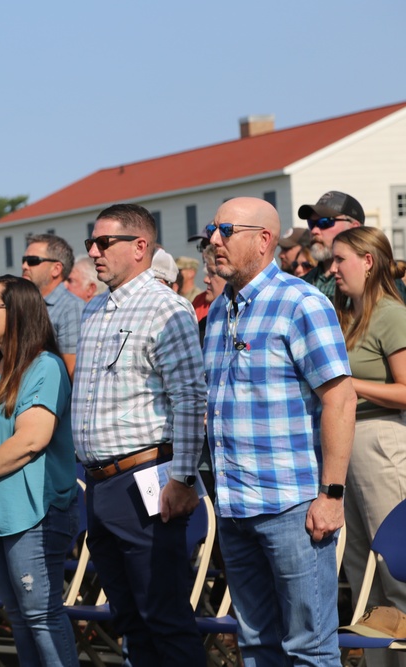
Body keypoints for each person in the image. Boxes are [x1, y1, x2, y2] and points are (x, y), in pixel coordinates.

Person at [204, 197, 356, 665]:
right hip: (235, 506)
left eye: (226, 230)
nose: (214, 240)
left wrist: (331, 494)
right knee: (255, 645)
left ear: (264, 239)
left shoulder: (301, 302)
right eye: (213, 229)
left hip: (293, 507)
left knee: (308, 648)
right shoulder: (218, 311)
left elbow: (339, 397)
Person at [71, 203, 206, 666]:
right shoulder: (93, 310)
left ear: (140, 247)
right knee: (129, 617)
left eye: (104, 242)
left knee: (164, 616)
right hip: (102, 482)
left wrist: (183, 479)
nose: (94, 251)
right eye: (92, 243)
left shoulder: (166, 307)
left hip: (147, 477)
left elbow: (190, 398)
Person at [0, 275, 79, 666]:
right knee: (20, 618)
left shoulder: (46, 367)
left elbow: (31, 440)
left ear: (18, 312)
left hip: (34, 512)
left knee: (41, 616)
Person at [328, 227, 406, 667]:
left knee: (396, 568)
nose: (333, 269)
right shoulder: (349, 316)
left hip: (382, 442)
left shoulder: (391, 315)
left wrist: (346, 385)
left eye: (341, 260)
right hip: (348, 444)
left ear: (368, 262)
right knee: (362, 570)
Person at [21, 233, 84, 379]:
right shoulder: (25, 304)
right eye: (24, 260)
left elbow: (71, 372)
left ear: (56, 269)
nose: (24, 266)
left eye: (32, 260)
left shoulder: (71, 308)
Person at [299, 190, 365, 297]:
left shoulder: (376, 280)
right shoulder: (302, 284)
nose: (314, 230)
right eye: (311, 223)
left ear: (354, 228)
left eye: (325, 222)